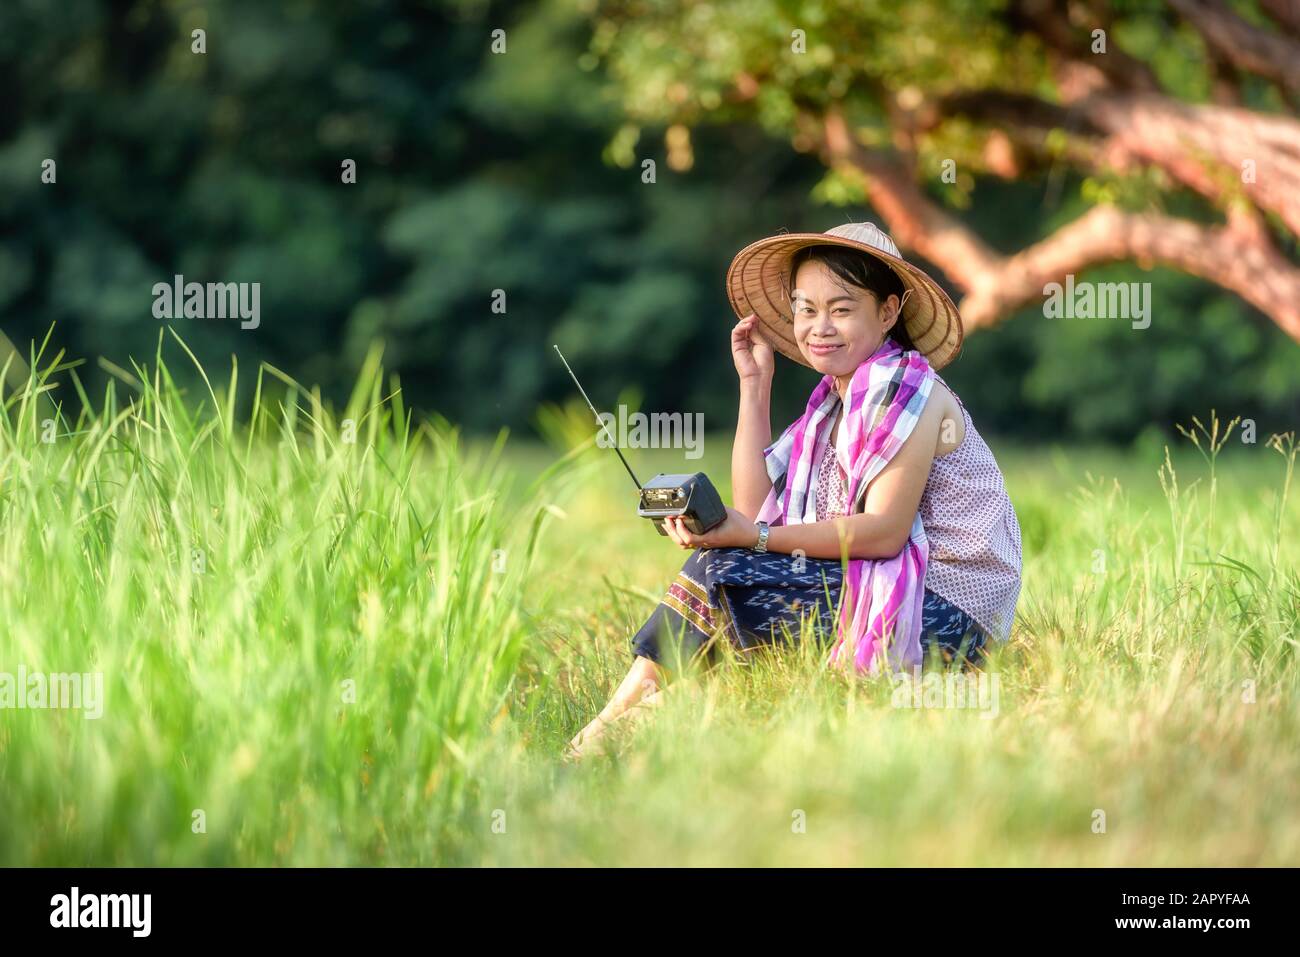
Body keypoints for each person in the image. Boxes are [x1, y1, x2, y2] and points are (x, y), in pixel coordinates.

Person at [565, 221, 1022, 760]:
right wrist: (754, 388)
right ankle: (610, 732)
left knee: (721, 571)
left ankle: (597, 737)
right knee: (726, 579)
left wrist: (752, 536)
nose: (819, 327)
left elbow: (884, 533)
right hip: (884, 589)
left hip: (946, 614)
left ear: (888, 312)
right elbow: (761, 508)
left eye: (842, 308)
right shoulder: (832, 406)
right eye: (806, 309)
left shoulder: (903, 388)